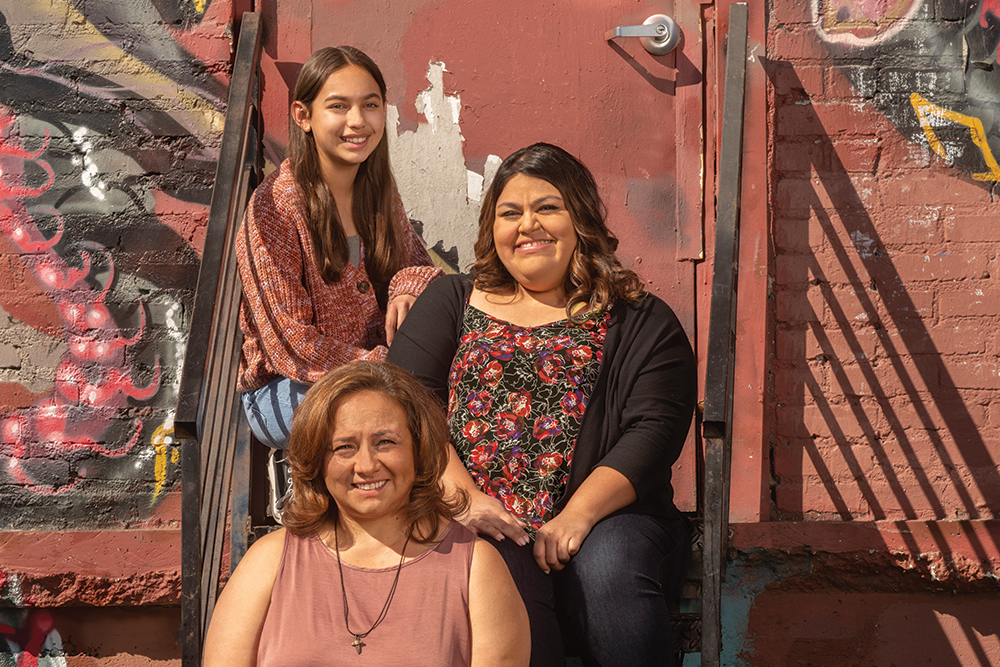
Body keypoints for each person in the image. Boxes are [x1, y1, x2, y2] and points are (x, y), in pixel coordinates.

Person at [387, 143, 697, 666]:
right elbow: (403, 406)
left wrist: (577, 516)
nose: (527, 224)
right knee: (497, 568)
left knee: (609, 568)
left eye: (547, 208)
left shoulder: (639, 318)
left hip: (608, 518)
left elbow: (654, 429)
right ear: (493, 230)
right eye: (510, 213)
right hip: (476, 512)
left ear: (579, 219)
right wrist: (466, 500)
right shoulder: (451, 302)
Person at [204, 360, 530, 666]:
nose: (367, 465)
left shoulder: (476, 567)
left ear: (419, 449)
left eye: (385, 442)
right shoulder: (268, 562)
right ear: (317, 460)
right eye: (344, 446)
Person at [236, 46, 441, 453]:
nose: (357, 121)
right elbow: (292, 346)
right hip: (289, 390)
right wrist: (391, 368)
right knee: (406, 416)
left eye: (370, 105)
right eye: (338, 106)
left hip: (379, 373)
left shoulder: (377, 190)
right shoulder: (276, 208)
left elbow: (420, 265)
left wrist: (407, 285)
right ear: (303, 116)